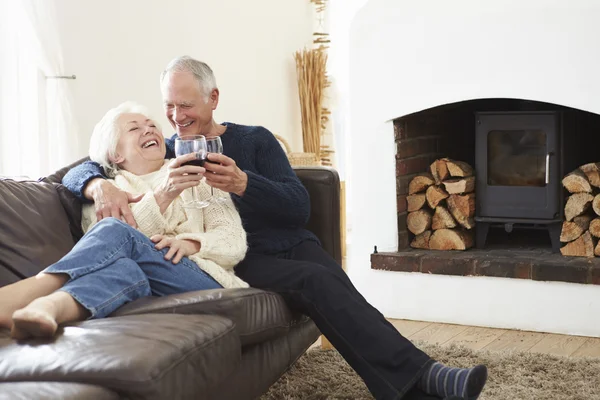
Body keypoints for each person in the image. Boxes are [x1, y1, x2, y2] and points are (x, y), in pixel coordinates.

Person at [61, 56, 487, 400]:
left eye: (185, 105)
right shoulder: (168, 151)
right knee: (317, 282)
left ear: (213, 98)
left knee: (334, 284)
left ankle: (411, 383)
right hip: (237, 256)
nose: (175, 116)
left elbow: (298, 207)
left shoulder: (255, 140)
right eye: (169, 106)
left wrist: (246, 183)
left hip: (290, 241)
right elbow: (86, 164)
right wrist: (96, 184)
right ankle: (427, 376)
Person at [0, 101, 247, 339]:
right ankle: (44, 310)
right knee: (123, 269)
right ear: (115, 154)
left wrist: (191, 244)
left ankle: (38, 285)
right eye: (134, 128)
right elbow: (107, 254)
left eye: (151, 125)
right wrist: (163, 195)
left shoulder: (198, 175)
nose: (149, 129)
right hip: (144, 285)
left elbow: (232, 240)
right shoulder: (107, 193)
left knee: (114, 229)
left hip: (202, 280)